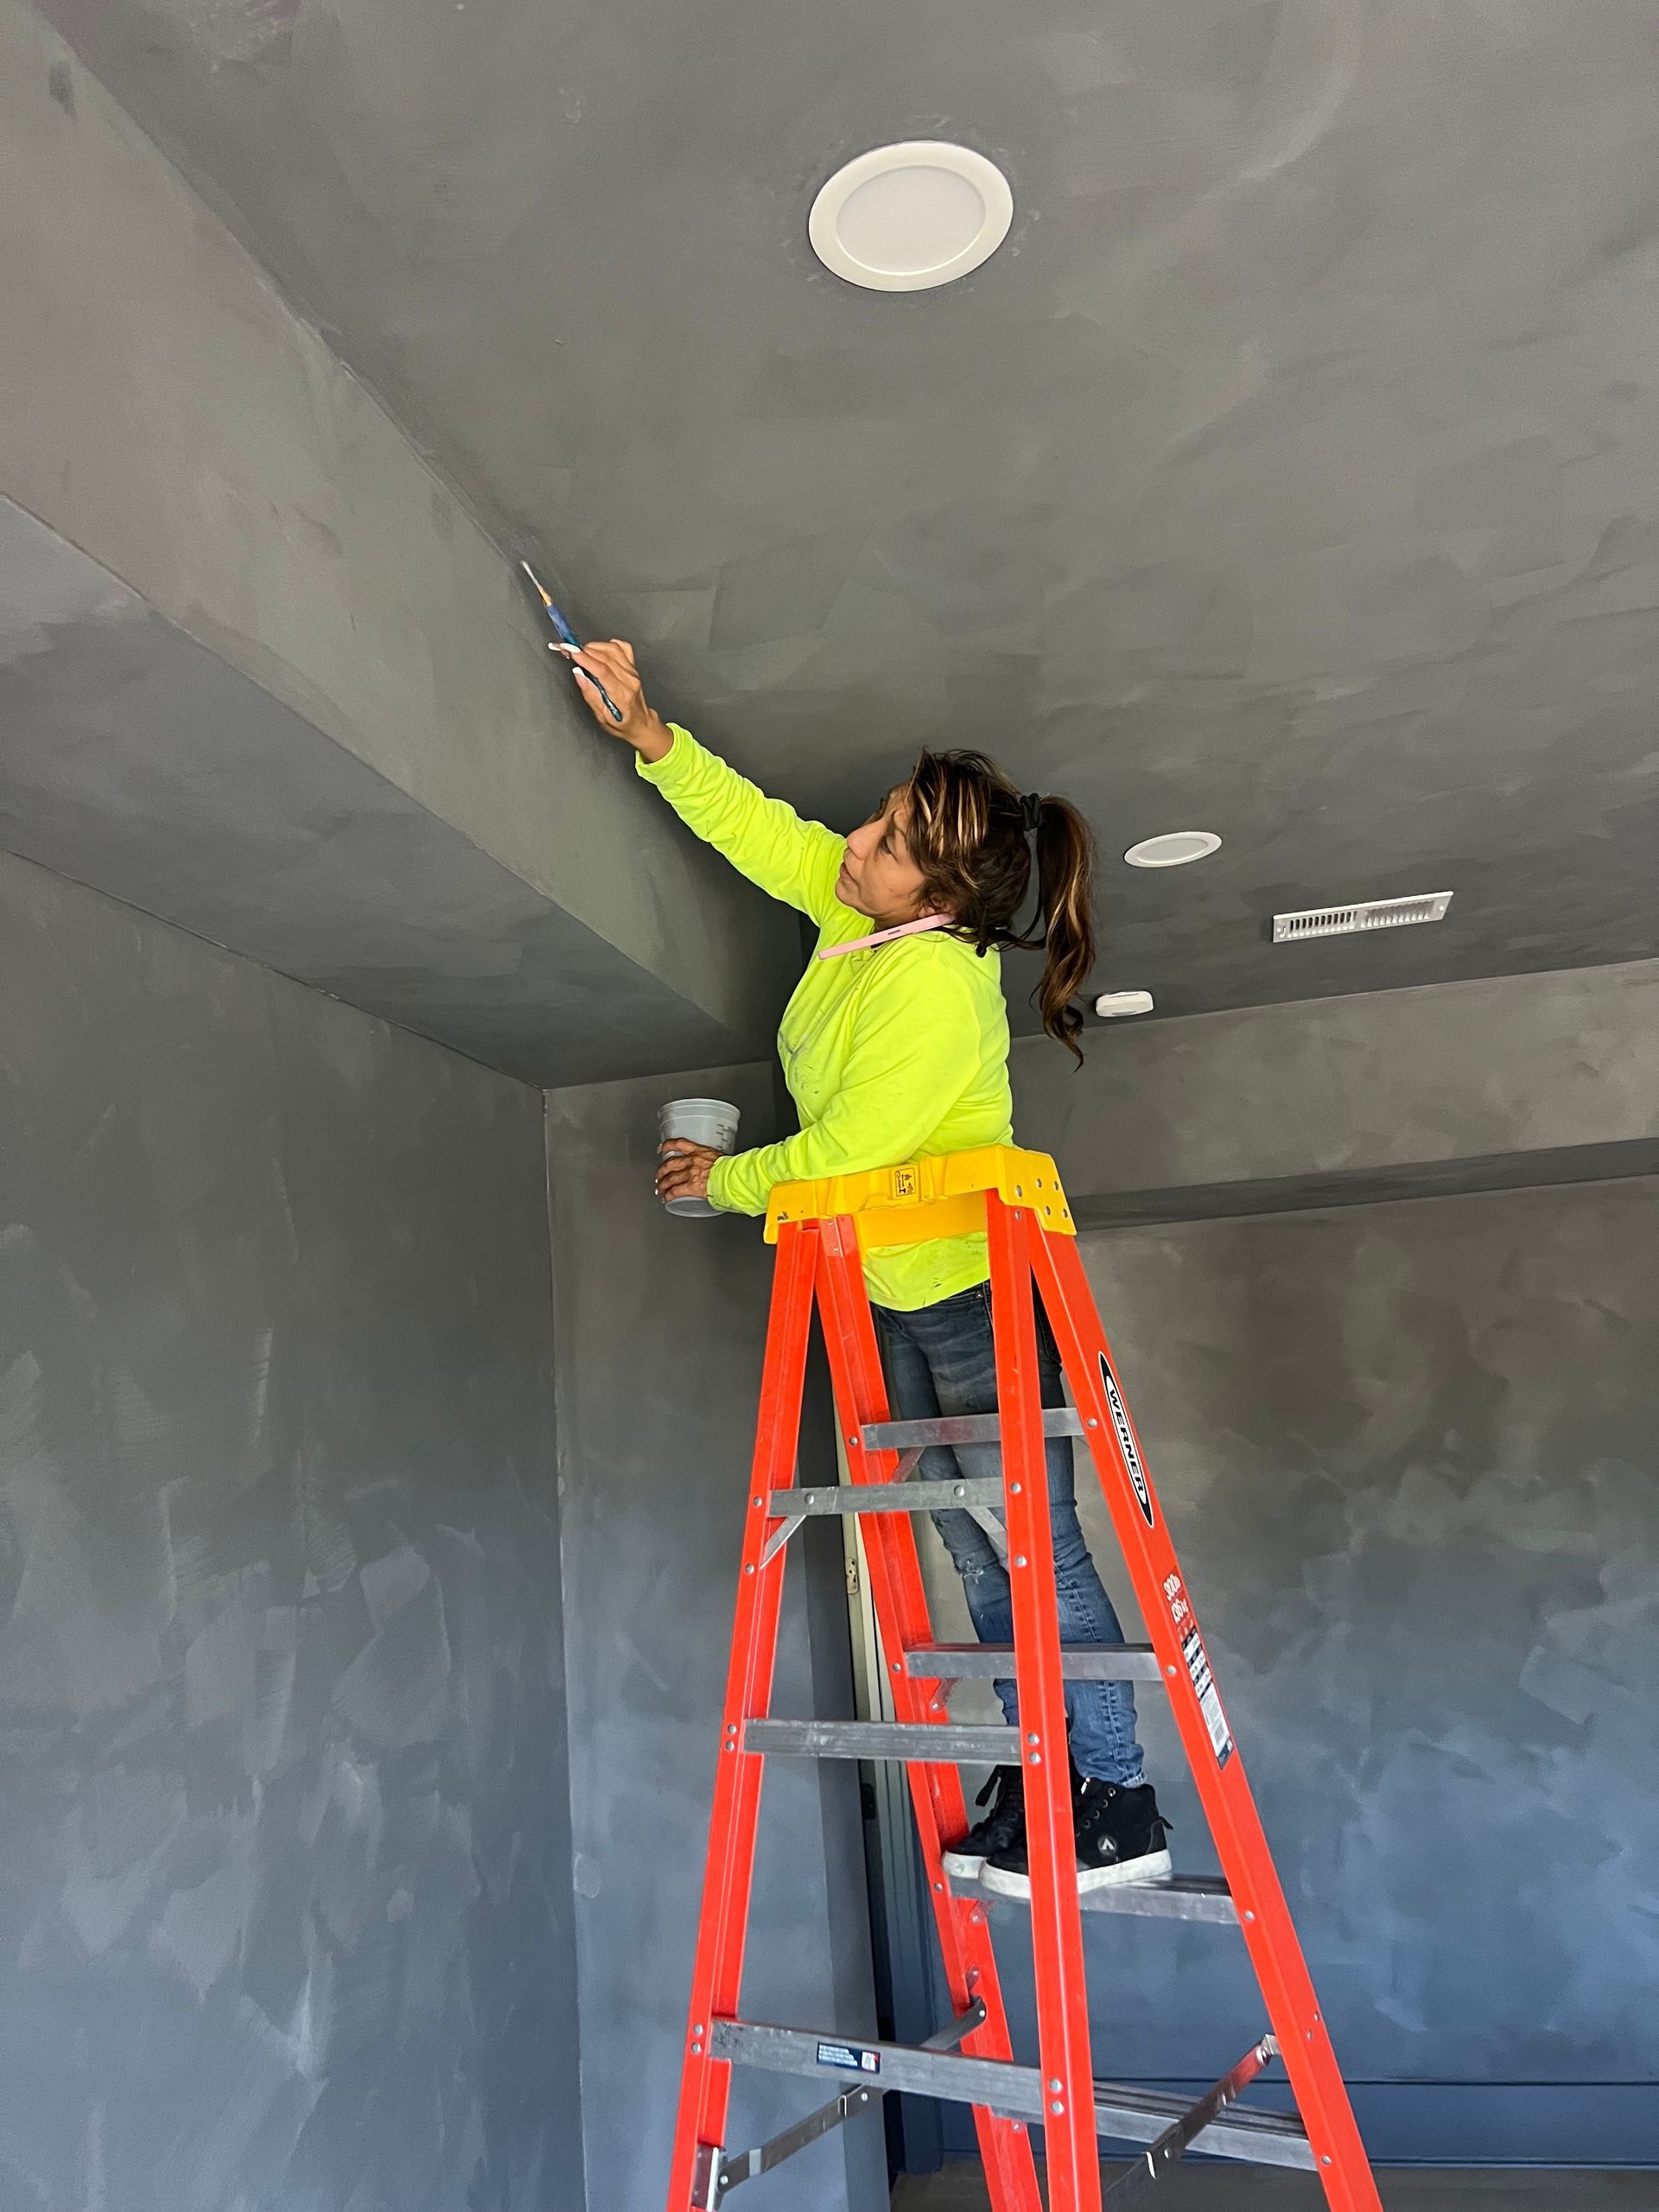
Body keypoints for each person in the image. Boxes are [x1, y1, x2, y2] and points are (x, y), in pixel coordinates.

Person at [565, 636, 1171, 1898]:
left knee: (1034, 1547)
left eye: (889, 838)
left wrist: (724, 1182)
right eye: (885, 819)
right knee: (970, 1545)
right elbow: (771, 835)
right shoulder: (862, 923)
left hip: (969, 1288)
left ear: (936, 898)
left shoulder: (938, 985)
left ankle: (1112, 1795)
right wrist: (652, 737)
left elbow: (852, 1148)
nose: (860, 837)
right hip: (885, 1287)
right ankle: (1039, 1773)